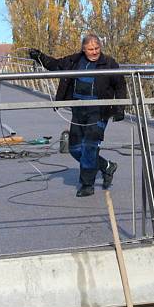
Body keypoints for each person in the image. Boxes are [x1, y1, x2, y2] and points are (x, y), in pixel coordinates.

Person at [28, 35, 126, 197]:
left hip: (99, 110)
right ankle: (106, 166)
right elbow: (55, 65)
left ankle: (87, 185)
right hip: (79, 109)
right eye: (90, 49)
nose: (94, 52)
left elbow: (120, 85)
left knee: (89, 146)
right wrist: (39, 56)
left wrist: (120, 108)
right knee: (74, 149)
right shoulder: (74, 61)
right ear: (83, 49)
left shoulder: (109, 63)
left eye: (97, 49)